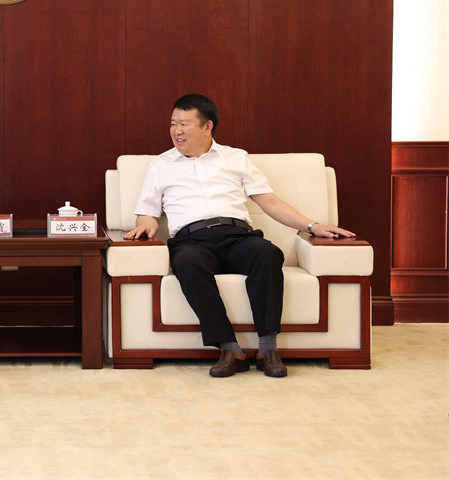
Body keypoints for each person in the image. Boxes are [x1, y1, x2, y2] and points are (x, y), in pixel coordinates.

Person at [124, 94, 355, 378]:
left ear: (207, 126)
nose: (176, 131)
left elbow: (270, 202)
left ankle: (268, 349)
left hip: (237, 236)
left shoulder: (236, 158)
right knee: (186, 263)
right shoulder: (161, 165)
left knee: (268, 254)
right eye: (173, 124)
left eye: (184, 124)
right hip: (191, 241)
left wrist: (312, 226)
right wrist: (145, 226)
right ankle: (230, 349)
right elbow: (147, 212)